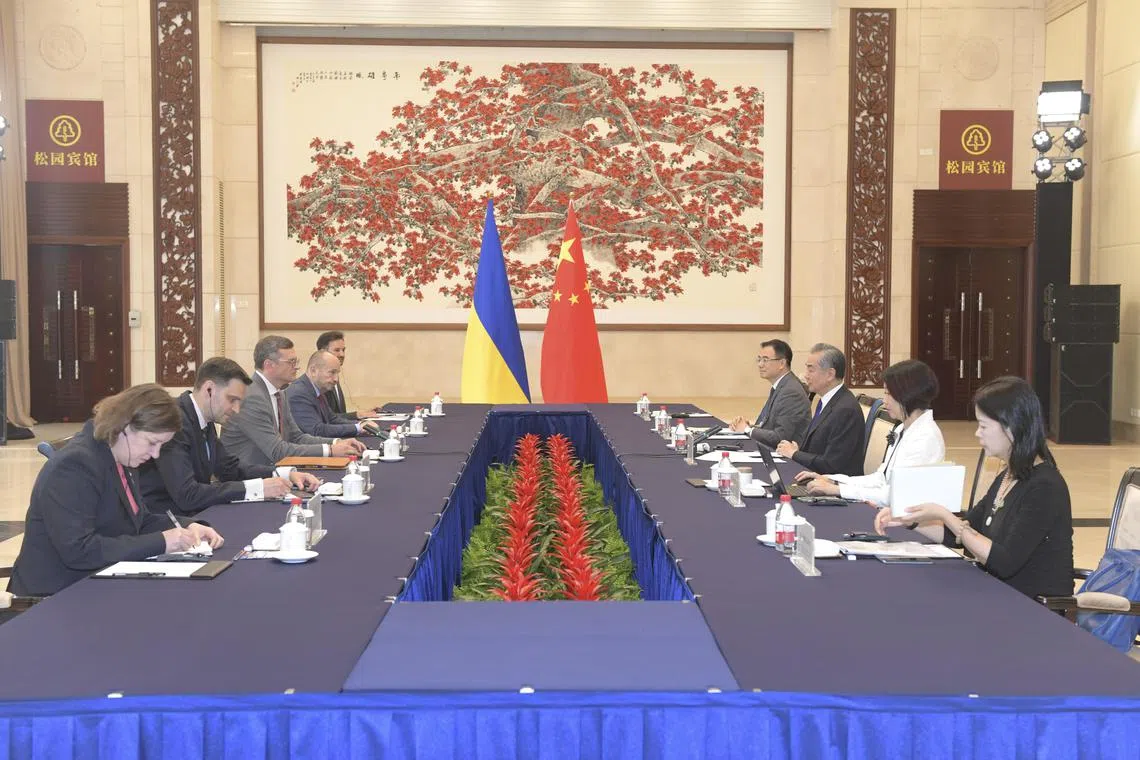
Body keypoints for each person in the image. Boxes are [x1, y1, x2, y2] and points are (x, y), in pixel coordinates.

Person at [8, 384, 224, 596]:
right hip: (50, 597)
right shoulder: (75, 466)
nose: (156, 454)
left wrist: (189, 526)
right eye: (152, 443)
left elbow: (140, 520)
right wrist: (163, 541)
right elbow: (80, 551)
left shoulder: (120, 455)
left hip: (92, 583)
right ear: (125, 427)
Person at [875, 376, 1074, 598]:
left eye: (983, 426)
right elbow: (964, 532)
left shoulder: (1045, 487)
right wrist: (908, 519)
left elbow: (1004, 562)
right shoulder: (1008, 476)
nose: (977, 433)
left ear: (1012, 428)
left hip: (1031, 607)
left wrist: (944, 514)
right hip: (998, 593)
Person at [138, 358, 321, 516]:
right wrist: (258, 488)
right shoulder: (175, 422)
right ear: (209, 389)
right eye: (232, 399)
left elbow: (229, 468)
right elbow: (188, 495)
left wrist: (284, 473)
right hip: (168, 521)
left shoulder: (204, 419)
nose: (236, 410)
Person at [795, 359, 945, 506]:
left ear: (908, 395)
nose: (885, 401)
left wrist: (838, 489)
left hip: (905, 521)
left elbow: (894, 495)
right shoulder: (902, 428)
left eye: (888, 394)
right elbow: (881, 478)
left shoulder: (925, 438)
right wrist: (830, 479)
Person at [220, 335, 365, 468]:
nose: (296, 367)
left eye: (296, 361)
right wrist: (330, 450)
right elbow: (277, 451)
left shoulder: (280, 393)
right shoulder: (251, 396)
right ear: (269, 365)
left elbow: (296, 437)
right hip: (248, 479)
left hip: (275, 473)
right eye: (291, 362)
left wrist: (337, 442)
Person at [775, 343, 865, 477]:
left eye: (811, 370)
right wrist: (797, 451)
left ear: (830, 374)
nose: (805, 376)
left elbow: (832, 465)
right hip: (816, 477)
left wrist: (794, 454)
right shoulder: (825, 400)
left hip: (836, 487)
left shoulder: (845, 410)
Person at [728, 339, 810, 447]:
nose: (760, 365)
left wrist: (748, 430)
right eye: (759, 359)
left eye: (765, 360)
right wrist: (749, 427)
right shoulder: (782, 385)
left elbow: (781, 437)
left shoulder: (790, 392)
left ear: (782, 363)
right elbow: (768, 425)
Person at [287, 351, 379, 438]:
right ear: (313, 371)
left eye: (337, 373)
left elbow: (332, 419)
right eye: (332, 372)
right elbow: (316, 430)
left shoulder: (318, 389)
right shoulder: (299, 393)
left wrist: (362, 424)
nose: (336, 379)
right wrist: (357, 428)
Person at [316, 330, 382, 418]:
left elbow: (338, 414)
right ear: (323, 352)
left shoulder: (334, 375)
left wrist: (364, 413)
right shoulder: (320, 380)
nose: (342, 354)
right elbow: (327, 419)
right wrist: (356, 415)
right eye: (337, 350)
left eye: (343, 350)